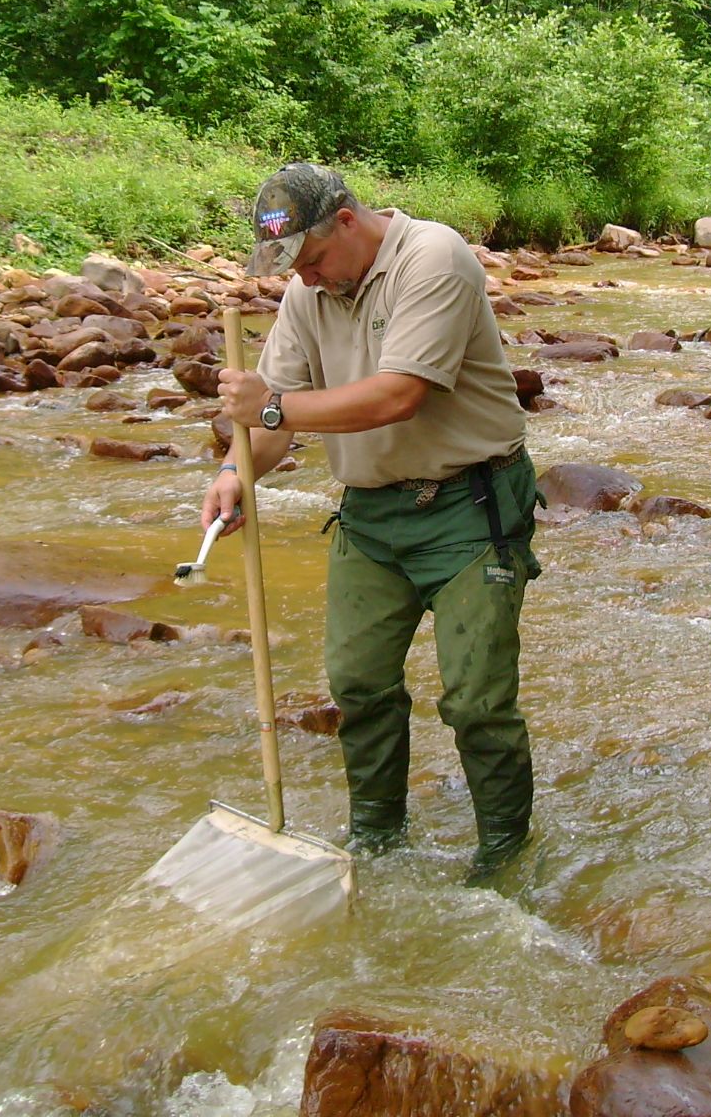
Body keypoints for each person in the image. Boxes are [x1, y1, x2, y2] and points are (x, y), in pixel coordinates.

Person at [201, 163, 541, 875]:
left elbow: (396, 397)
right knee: (358, 684)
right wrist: (237, 472)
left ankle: (505, 855)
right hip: (370, 515)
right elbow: (276, 420)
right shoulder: (308, 293)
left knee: (476, 700)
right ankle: (377, 840)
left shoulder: (433, 257)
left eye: (314, 259)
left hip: (470, 505)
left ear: (349, 221)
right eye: (294, 268)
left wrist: (267, 408)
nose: (308, 278)